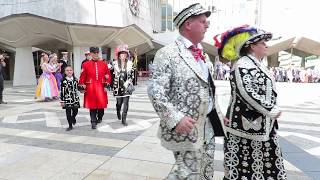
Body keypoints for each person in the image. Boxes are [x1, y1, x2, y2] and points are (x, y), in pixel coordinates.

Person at [147, 3, 225, 179]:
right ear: (188, 24)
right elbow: (155, 91)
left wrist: (219, 114)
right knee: (187, 174)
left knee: (205, 170)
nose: (207, 25)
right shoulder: (167, 53)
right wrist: (175, 118)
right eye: (203, 21)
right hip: (186, 128)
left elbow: (208, 89)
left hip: (208, 127)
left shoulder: (202, 54)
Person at [214, 25, 287, 179]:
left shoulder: (257, 64)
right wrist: (272, 109)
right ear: (252, 46)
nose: (266, 45)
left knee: (265, 165)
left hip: (263, 126)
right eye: (263, 43)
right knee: (243, 167)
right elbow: (247, 92)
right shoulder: (242, 65)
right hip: (245, 127)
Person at [79, 47, 112, 129]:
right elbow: (82, 76)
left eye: (97, 52)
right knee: (92, 106)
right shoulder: (85, 64)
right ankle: (93, 121)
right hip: (90, 88)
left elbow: (108, 76)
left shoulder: (104, 64)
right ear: (90, 54)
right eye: (94, 53)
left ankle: (100, 117)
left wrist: (107, 84)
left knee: (101, 106)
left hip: (101, 87)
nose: (96, 54)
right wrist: (81, 85)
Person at [113, 44, 134, 126]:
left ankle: (123, 119)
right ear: (119, 55)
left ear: (126, 55)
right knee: (119, 103)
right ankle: (118, 110)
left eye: (125, 54)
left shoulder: (130, 63)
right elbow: (108, 73)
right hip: (118, 86)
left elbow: (132, 75)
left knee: (126, 103)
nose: (123, 56)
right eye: (122, 54)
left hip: (126, 86)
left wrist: (128, 82)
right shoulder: (114, 63)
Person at [60, 66, 80, 131]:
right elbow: (62, 91)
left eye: (70, 70)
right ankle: (70, 125)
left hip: (75, 99)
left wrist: (83, 88)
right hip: (67, 99)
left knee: (75, 111)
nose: (69, 71)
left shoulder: (76, 79)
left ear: (72, 71)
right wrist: (62, 101)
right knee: (68, 112)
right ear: (65, 72)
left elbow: (78, 88)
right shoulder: (63, 80)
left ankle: (73, 117)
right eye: (67, 70)